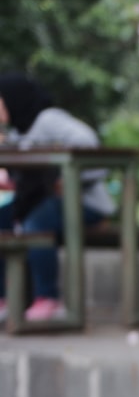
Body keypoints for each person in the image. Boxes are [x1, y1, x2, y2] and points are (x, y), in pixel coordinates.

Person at [0, 73, 116, 323]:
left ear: (11, 99)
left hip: (85, 203)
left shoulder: (48, 119)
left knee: (35, 224)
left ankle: (48, 299)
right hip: (45, 205)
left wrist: (68, 178)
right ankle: (6, 299)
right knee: (4, 219)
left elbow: (89, 143)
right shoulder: (19, 132)